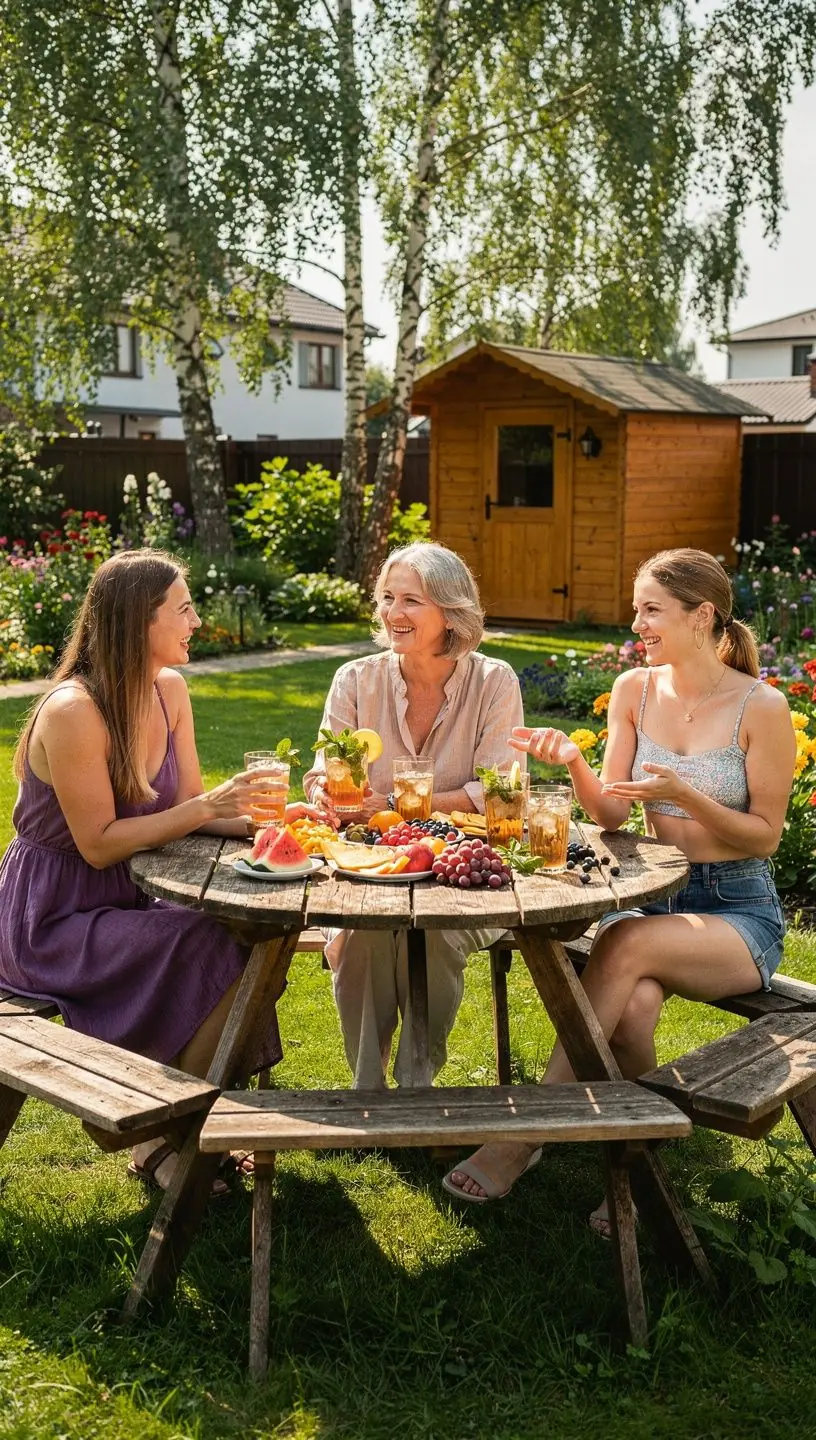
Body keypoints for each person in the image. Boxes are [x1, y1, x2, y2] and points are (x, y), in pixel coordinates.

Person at [444, 548, 796, 1217]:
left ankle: (527, 1134)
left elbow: (765, 836)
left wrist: (686, 797)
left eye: (651, 610)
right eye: (637, 609)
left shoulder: (762, 705)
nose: (637, 624)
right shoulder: (636, 690)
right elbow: (610, 811)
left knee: (623, 946)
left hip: (736, 910)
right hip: (654, 896)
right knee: (632, 1011)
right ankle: (639, 1159)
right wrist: (576, 763)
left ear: (702, 615)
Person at [0, 549, 318, 1194]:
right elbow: (98, 844)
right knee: (208, 938)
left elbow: (188, 805)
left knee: (251, 936)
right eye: (184, 609)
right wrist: (206, 808)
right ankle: (163, 1130)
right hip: (52, 917)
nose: (196, 621)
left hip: (128, 898)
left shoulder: (168, 690)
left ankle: (166, 1126)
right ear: (137, 621)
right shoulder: (73, 711)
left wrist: (269, 823)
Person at [302, 542, 524, 1088]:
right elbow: (323, 768)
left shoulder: (494, 681)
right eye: (386, 598)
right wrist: (325, 791)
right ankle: (368, 1085)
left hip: (462, 867)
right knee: (363, 934)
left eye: (411, 601)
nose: (392, 613)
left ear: (450, 610)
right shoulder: (355, 679)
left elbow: (500, 788)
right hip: (366, 863)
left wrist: (398, 804)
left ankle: (415, 1084)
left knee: (437, 935)